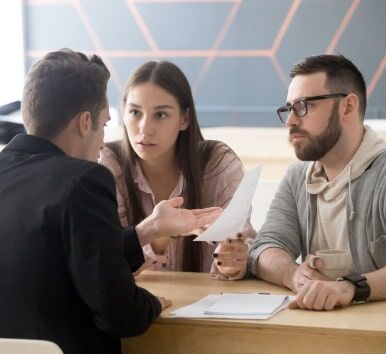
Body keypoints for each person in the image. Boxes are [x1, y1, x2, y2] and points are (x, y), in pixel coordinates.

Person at [0, 49, 221, 354]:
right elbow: (121, 313)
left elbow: (68, 255)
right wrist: (151, 304)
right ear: (84, 122)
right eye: (104, 124)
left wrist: (150, 228)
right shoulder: (84, 180)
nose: (103, 140)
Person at [245, 54, 386, 311]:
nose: (291, 120)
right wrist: (295, 275)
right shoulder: (298, 176)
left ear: (348, 107)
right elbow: (264, 248)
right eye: (289, 108)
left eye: (304, 105)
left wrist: (350, 288)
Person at [99, 61, 255, 279]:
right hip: (137, 306)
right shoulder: (107, 164)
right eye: (135, 112)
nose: (145, 128)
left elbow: (244, 240)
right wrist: (161, 234)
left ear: (184, 119)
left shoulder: (217, 162)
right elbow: (105, 263)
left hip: (207, 303)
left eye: (160, 115)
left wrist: (234, 261)